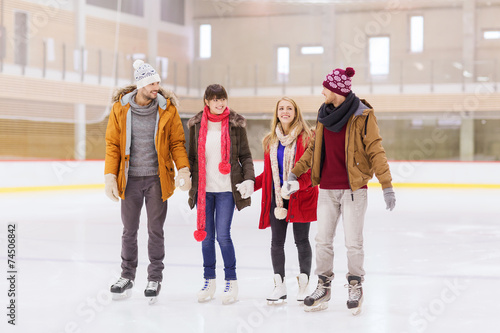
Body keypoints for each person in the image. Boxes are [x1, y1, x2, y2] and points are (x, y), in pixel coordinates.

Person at [282, 67, 396, 314]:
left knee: (353, 242)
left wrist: (386, 186)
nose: (322, 91)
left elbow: (376, 150)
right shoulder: (324, 115)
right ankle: (323, 286)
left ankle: (355, 285)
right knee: (323, 240)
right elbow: (313, 150)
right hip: (327, 189)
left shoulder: (363, 115)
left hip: (354, 190)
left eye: (326, 87)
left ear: (336, 90)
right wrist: (296, 171)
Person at [104, 59, 191, 305]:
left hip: (156, 178)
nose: (157, 87)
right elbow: (112, 144)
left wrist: (183, 170)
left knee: (155, 231)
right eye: (152, 82)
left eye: (158, 82)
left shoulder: (167, 109)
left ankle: (154, 278)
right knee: (129, 231)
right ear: (141, 84)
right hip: (130, 179)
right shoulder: (120, 109)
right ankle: (127, 276)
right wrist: (110, 175)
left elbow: (176, 143)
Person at [187, 84, 255, 304]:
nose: (220, 103)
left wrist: (249, 179)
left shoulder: (236, 124)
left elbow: (245, 155)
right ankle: (209, 281)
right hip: (204, 190)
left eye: (222, 98)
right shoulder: (196, 125)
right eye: (215, 99)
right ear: (206, 101)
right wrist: (184, 175)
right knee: (206, 238)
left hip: (227, 190)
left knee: (223, 236)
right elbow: (190, 157)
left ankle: (231, 282)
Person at [253, 97, 318, 304]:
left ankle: (304, 284)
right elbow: (268, 175)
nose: (285, 111)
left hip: (300, 196)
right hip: (277, 198)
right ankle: (279, 286)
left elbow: (314, 170)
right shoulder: (270, 141)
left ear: (296, 112)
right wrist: (250, 185)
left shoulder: (308, 137)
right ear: (277, 113)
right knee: (276, 242)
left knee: (301, 241)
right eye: (281, 108)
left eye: (289, 108)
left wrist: (299, 184)